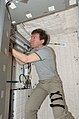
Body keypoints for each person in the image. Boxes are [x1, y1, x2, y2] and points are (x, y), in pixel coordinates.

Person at [11, 28, 74, 119]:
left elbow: (25, 59)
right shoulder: (33, 52)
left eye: (34, 38)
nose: (31, 40)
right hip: (42, 84)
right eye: (31, 37)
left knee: (60, 115)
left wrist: (9, 48)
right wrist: (12, 52)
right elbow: (22, 62)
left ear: (42, 41)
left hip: (53, 83)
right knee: (29, 109)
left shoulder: (47, 50)